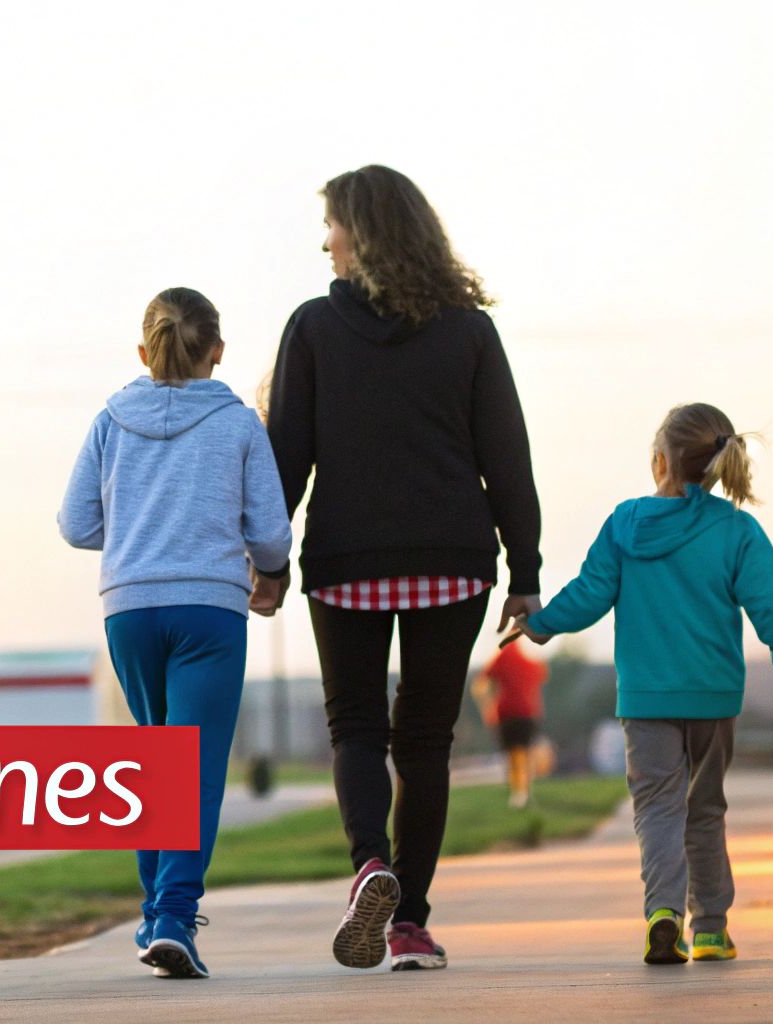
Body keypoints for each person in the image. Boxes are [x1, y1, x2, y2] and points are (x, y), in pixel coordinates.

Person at [256, 165, 543, 973]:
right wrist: (525, 570)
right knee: (425, 742)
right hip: (452, 560)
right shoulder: (469, 331)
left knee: (355, 725)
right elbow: (506, 458)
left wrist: (269, 564)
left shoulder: (311, 328)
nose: (325, 242)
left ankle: (368, 868)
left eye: (333, 226)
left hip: (346, 559)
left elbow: (288, 459)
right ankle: (410, 923)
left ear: (365, 231)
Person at [511, 402, 773, 966]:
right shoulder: (736, 530)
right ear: (717, 465)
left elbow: (589, 592)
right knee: (704, 808)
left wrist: (539, 624)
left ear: (660, 462)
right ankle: (709, 929)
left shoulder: (625, 524)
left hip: (646, 700)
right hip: (713, 696)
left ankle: (662, 914)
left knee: (657, 807)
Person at [58, 286, 292, 980]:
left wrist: (132, 534)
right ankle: (173, 917)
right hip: (208, 612)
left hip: (130, 609)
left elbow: (76, 524)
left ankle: (156, 913)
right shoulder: (239, 423)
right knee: (195, 770)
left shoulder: (110, 420)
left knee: (155, 766)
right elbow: (271, 534)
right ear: (217, 351)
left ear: (143, 350)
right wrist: (269, 569)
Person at [475, 642, 549, 809]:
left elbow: (480, 684)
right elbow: (541, 673)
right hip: (528, 713)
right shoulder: (527, 659)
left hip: (508, 713)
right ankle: (523, 791)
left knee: (513, 754)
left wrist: (486, 706)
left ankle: (519, 793)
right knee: (523, 752)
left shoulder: (502, 657)